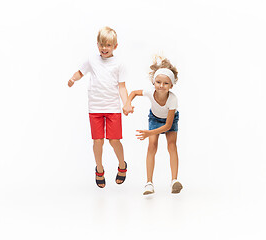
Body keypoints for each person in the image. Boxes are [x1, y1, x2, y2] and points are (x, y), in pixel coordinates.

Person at [68, 26, 132, 188]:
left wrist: (126, 103)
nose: (104, 48)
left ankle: (122, 165)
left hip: (112, 108)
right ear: (97, 44)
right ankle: (99, 169)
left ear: (115, 46)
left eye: (108, 45)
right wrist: (73, 79)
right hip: (95, 108)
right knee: (98, 141)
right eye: (102, 44)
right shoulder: (92, 60)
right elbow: (80, 72)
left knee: (114, 140)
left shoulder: (119, 63)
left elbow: (122, 87)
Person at [123, 56, 183, 195]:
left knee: (172, 146)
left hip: (170, 121)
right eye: (158, 82)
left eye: (166, 83)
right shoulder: (150, 92)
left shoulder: (172, 99)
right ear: (153, 82)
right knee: (152, 146)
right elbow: (133, 93)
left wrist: (149, 133)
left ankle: (174, 180)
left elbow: (168, 126)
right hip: (155, 118)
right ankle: (149, 183)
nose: (161, 85)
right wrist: (127, 103)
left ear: (171, 85)